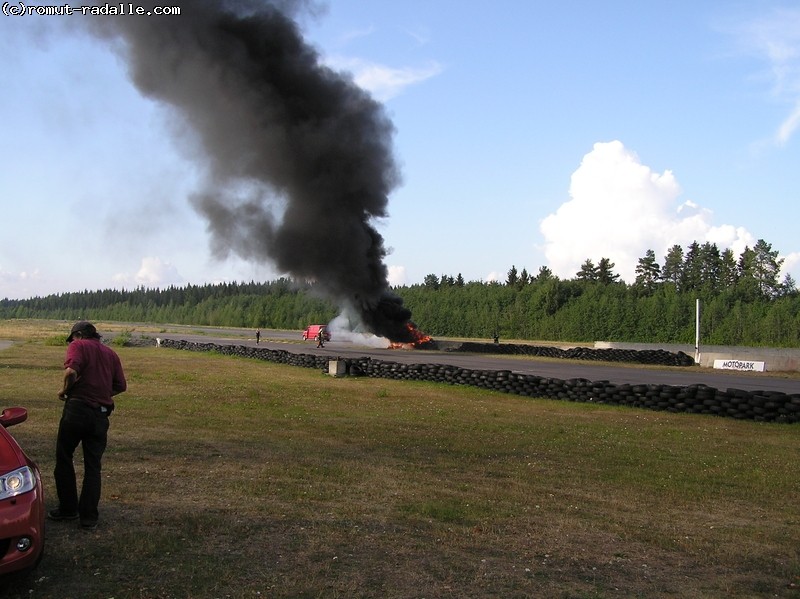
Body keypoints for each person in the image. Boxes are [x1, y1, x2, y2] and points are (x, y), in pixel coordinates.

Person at [49, 321, 127, 530]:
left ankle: (68, 509)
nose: (71, 342)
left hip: (77, 411)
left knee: (64, 457)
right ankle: (89, 518)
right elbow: (120, 386)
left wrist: (64, 391)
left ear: (79, 335)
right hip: (101, 416)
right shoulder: (111, 354)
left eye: (72, 337)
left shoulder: (78, 346)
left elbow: (70, 372)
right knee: (93, 466)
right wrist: (102, 395)